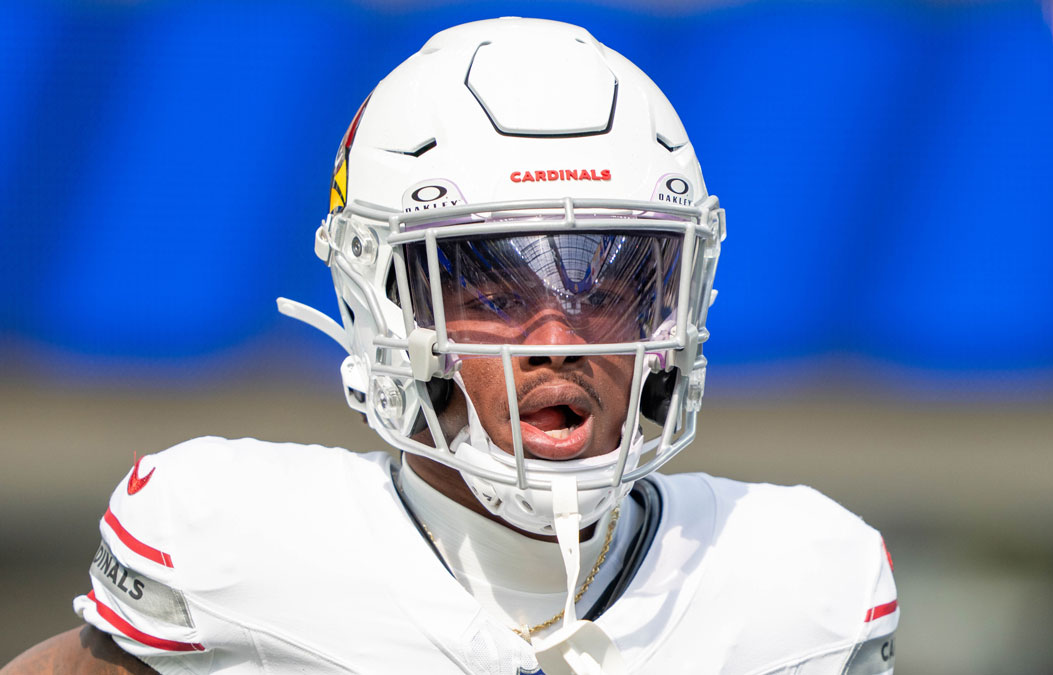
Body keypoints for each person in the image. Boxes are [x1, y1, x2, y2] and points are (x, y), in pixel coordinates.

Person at [2, 18, 897, 675]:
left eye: (615, 282)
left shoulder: (800, 587)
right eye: (498, 291)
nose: (559, 340)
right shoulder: (227, 546)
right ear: (382, 303)